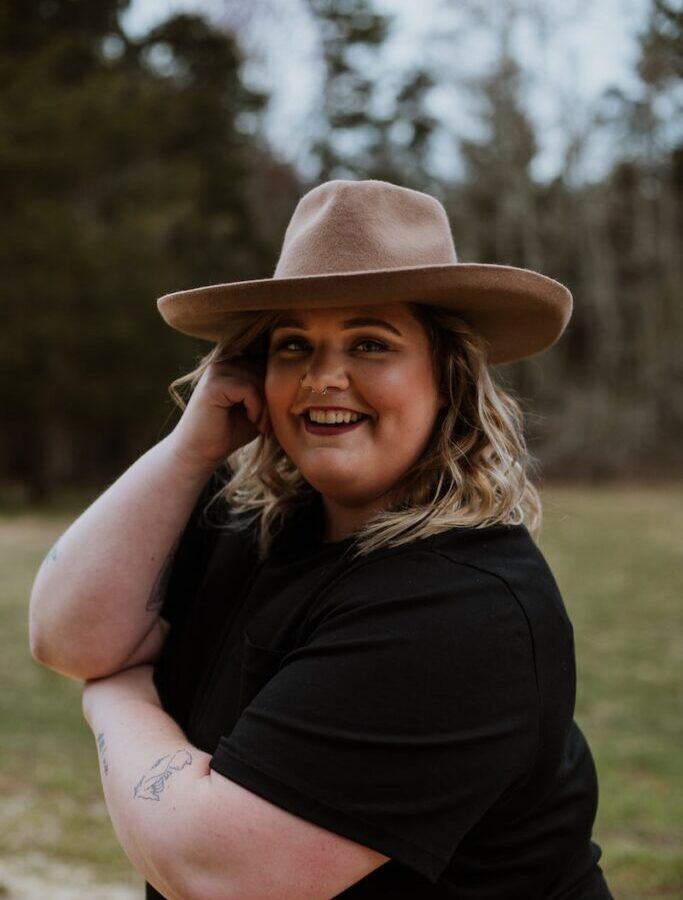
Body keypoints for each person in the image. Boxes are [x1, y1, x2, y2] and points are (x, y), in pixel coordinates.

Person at [28, 179, 614, 899]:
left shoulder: (463, 607)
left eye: (370, 343)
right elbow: (63, 634)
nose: (322, 377)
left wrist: (115, 692)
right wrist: (189, 447)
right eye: (293, 344)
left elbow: (218, 871)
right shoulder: (243, 513)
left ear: (448, 379)